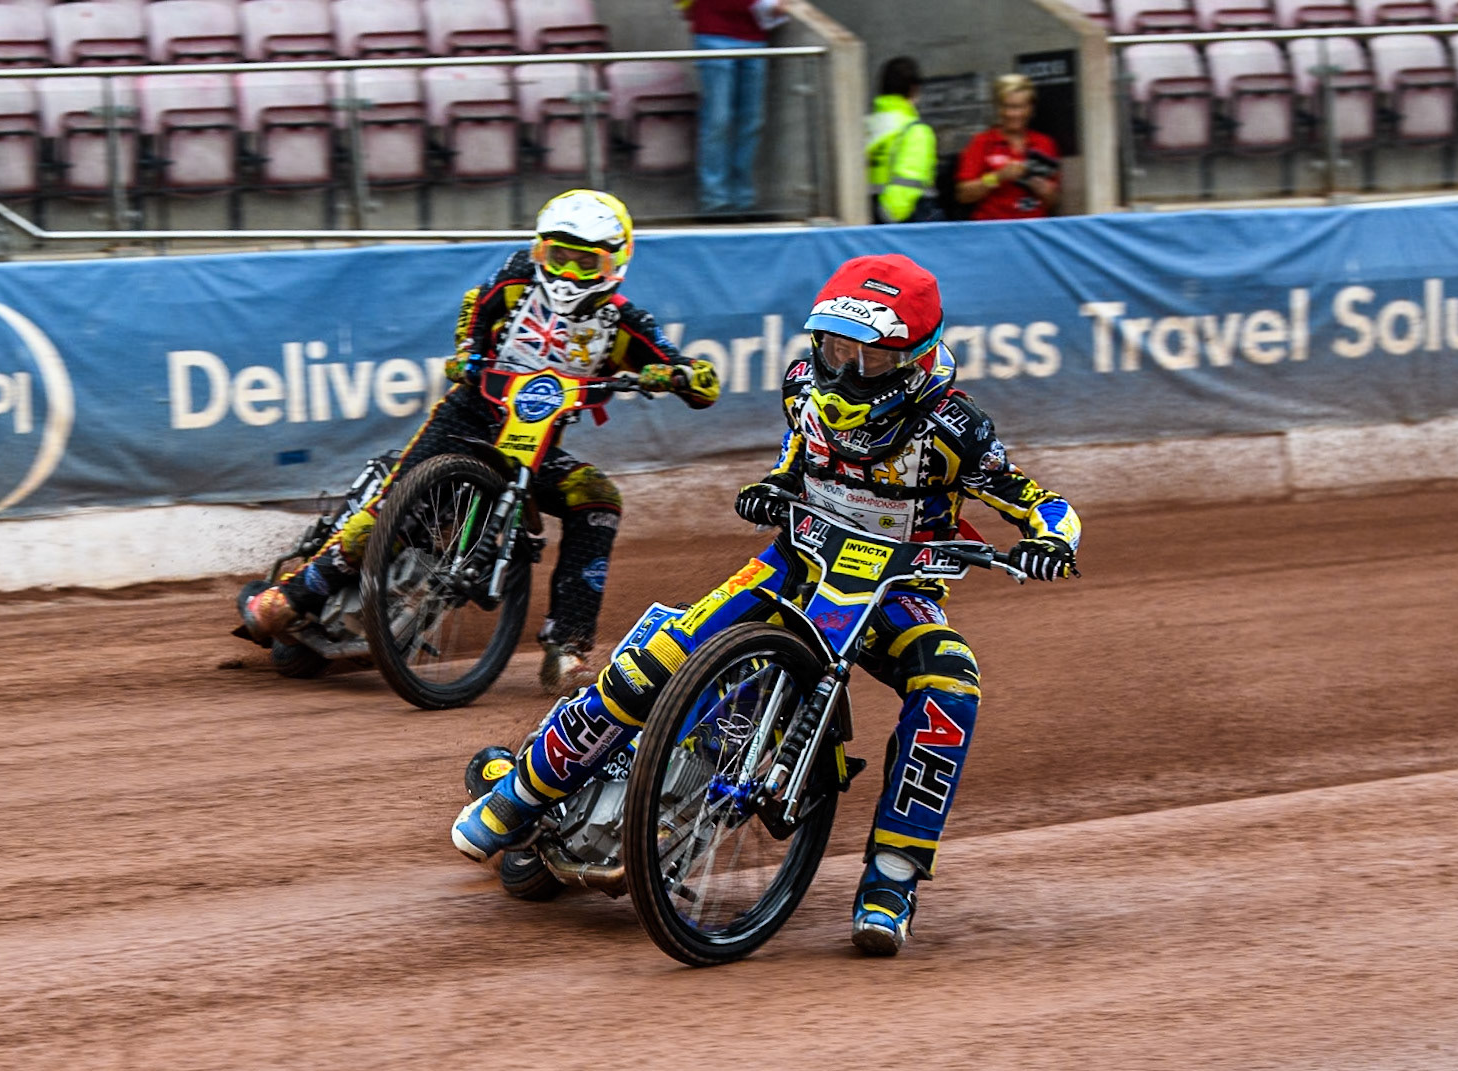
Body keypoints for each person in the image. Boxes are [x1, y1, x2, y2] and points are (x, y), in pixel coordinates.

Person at [452, 253, 1081, 956]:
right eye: (835, 348)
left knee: (950, 686)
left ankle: (891, 879)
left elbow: (1038, 500)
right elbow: (795, 461)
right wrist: (772, 486)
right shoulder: (802, 387)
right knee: (658, 657)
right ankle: (520, 794)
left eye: (867, 358)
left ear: (913, 360)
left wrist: (1049, 540)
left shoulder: (952, 429)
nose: (843, 371)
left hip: (894, 592)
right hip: (792, 563)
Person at [239, 189, 721, 694]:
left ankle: (567, 649)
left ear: (614, 261)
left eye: (584, 263)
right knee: (393, 507)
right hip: (467, 416)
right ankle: (293, 597)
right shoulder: (516, 279)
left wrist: (684, 377)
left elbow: (679, 365)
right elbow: (475, 306)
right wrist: (468, 353)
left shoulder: (622, 323)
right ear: (539, 251)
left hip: (533, 449)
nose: (566, 274)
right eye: (557, 257)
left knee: (598, 498)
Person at [680, 0, 786, 216]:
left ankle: (743, 200)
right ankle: (714, 200)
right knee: (718, 119)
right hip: (714, 31)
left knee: (751, 121)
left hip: (754, 36)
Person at [954, 73, 1061, 221]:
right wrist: (998, 177)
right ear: (999, 109)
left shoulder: (1044, 143)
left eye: (1019, 107)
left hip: (1033, 229)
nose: (1013, 114)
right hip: (993, 229)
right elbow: (963, 195)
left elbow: (1054, 202)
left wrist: (1045, 191)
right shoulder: (981, 142)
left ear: (1030, 108)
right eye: (1007, 107)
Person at [866, 56, 942, 224]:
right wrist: (887, 219)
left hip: (866, 220)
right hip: (906, 223)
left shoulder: (865, 127)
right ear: (914, 89)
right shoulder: (915, 130)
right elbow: (908, 182)